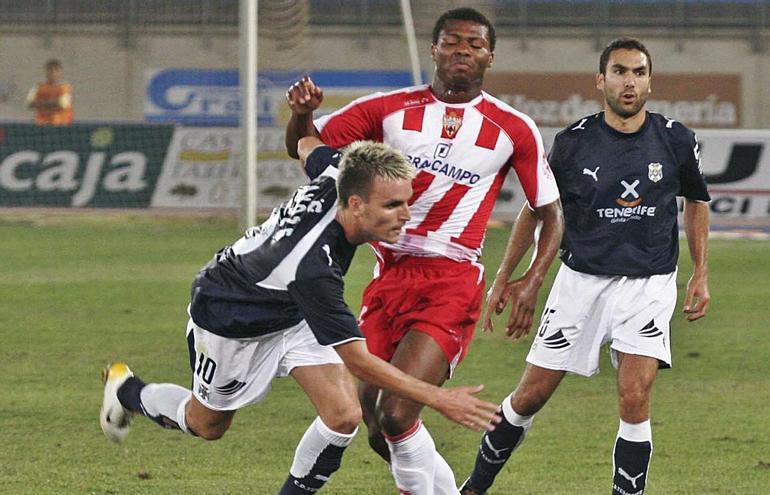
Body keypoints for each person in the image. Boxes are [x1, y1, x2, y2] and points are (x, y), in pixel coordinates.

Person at [99, 138, 500, 495]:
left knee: (343, 415)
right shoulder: (312, 267)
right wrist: (439, 398)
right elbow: (358, 360)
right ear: (356, 204)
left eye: (407, 202)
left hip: (292, 309)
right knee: (207, 424)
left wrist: (301, 114)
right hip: (229, 319)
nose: (406, 214)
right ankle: (126, 389)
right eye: (393, 205)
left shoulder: (339, 171)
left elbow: (306, 144)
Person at [285, 7, 563, 494]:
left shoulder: (512, 127)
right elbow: (304, 146)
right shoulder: (389, 109)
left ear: (490, 57)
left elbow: (551, 213)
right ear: (434, 49)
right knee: (373, 423)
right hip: (388, 276)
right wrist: (302, 114)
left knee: (395, 412)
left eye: (474, 44)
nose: (463, 51)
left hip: (451, 280)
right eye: (453, 42)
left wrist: (529, 280)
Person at [459, 37, 711, 495]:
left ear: (650, 82)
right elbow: (537, 210)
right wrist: (508, 277)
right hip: (580, 281)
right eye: (619, 71)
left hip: (648, 283)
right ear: (601, 81)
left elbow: (696, 201)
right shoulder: (573, 143)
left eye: (638, 72)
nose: (628, 81)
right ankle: (473, 488)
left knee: (635, 396)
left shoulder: (675, 138)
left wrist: (701, 272)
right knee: (530, 396)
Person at [26, 59, 73, 125]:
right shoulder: (38, 87)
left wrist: (40, 103)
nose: (53, 73)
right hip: (41, 124)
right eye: (50, 70)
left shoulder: (65, 88)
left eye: (56, 70)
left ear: (60, 72)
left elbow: (62, 103)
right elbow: (29, 102)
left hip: (60, 125)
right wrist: (52, 103)